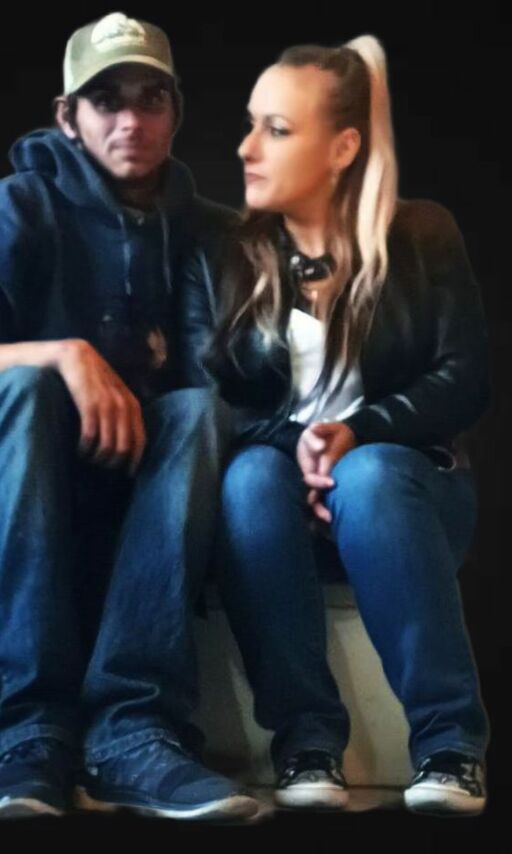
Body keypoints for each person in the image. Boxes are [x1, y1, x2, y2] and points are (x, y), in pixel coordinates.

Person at [0, 11, 258, 822]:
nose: (131, 120)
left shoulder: (207, 232)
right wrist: (64, 354)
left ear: (176, 111)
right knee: (26, 390)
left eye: (151, 98)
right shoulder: (17, 205)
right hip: (11, 473)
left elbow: (250, 376)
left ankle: (134, 733)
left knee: (200, 411)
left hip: (137, 488)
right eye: (106, 100)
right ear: (68, 116)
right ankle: (29, 738)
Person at [182, 34, 491, 816]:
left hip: (406, 499)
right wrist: (304, 453)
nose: (246, 147)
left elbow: (464, 380)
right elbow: (213, 401)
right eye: (250, 124)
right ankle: (307, 743)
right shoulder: (229, 255)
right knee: (250, 479)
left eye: (277, 129)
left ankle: (450, 746)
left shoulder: (422, 234)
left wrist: (357, 433)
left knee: (372, 474)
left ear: (342, 148)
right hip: (277, 512)